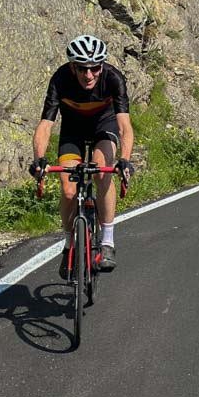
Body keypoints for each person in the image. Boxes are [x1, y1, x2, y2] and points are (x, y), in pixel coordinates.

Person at [29, 34, 134, 279]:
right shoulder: (60, 79)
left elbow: (125, 126)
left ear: (102, 66)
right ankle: (68, 245)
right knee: (68, 190)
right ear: (72, 66)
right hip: (72, 132)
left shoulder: (113, 78)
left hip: (104, 127)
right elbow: (45, 125)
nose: (89, 75)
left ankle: (107, 242)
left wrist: (125, 160)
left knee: (101, 170)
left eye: (95, 68)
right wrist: (39, 159)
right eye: (83, 69)